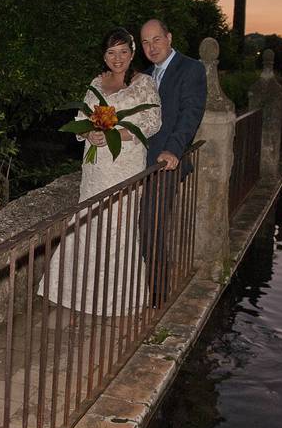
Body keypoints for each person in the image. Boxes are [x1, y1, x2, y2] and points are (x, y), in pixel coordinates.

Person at [38, 27, 162, 315]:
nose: (117, 58)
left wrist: (116, 133)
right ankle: (76, 294)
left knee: (119, 226)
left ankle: (117, 300)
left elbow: (153, 122)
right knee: (88, 222)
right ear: (103, 55)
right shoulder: (96, 82)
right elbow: (82, 119)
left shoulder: (144, 83)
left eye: (123, 52)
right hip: (96, 168)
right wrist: (89, 135)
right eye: (111, 52)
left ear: (132, 54)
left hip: (125, 165)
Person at [139, 18, 207, 304]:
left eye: (156, 39)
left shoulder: (191, 68)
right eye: (145, 42)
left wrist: (174, 151)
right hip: (137, 163)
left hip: (164, 164)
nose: (151, 47)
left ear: (169, 37)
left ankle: (157, 294)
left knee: (151, 226)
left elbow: (190, 115)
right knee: (137, 226)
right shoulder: (144, 75)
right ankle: (138, 287)